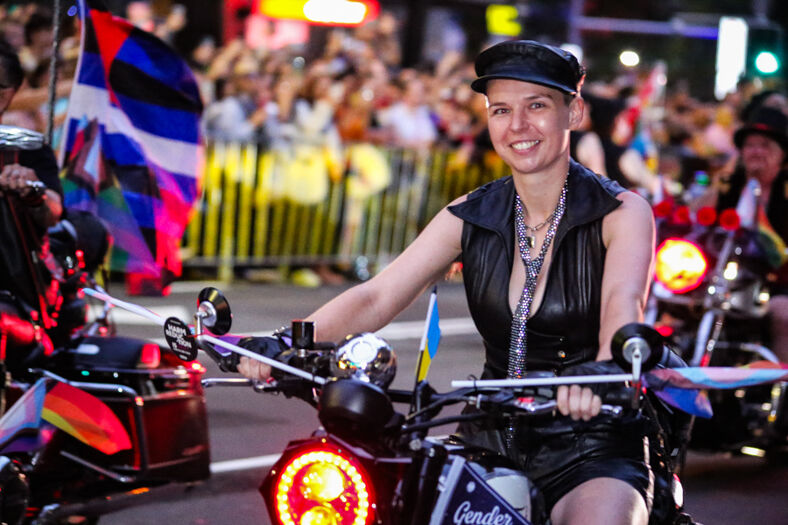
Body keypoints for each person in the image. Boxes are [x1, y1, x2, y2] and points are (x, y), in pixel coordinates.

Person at [239, 40, 656, 525]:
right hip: (486, 438)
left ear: (574, 111)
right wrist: (286, 342)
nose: (517, 125)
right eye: (501, 110)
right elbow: (378, 294)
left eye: (536, 106)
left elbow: (622, 305)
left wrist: (602, 376)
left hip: (590, 441)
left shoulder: (621, 213)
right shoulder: (471, 213)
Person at [692, 106, 788, 363]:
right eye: (750, 145)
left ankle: (779, 387)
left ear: (782, 155)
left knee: (783, 313)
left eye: (765, 145)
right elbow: (696, 222)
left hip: (773, 283)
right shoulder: (727, 187)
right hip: (720, 278)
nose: (756, 152)